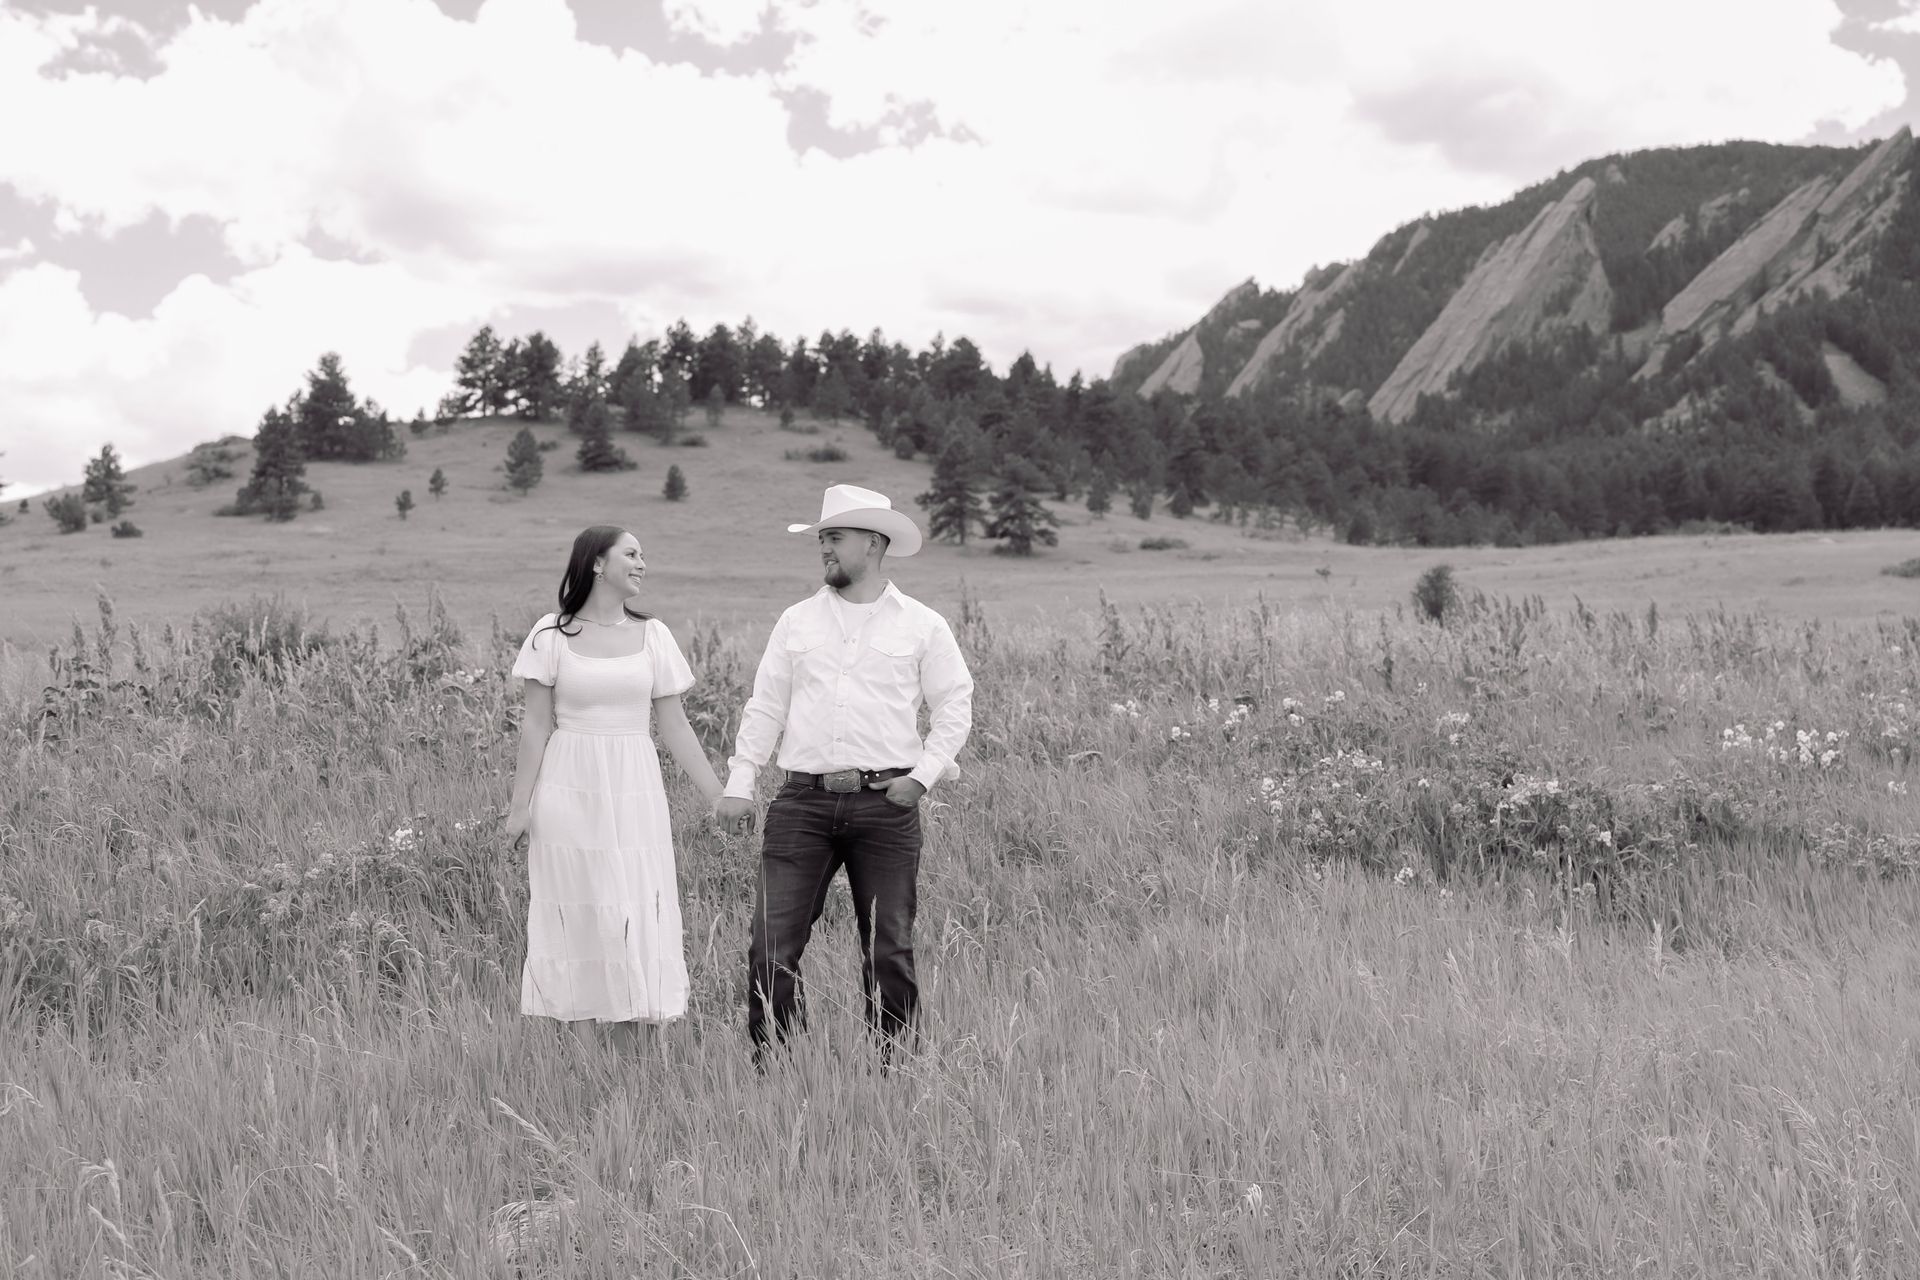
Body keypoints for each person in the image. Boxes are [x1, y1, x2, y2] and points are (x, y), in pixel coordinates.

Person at [715, 484, 974, 1066]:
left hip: (887, 804)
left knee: (889, 950)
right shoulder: (796, 621)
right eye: (822, 538)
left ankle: (894, 1072)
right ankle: (779, 1070)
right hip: (801, 804)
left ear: (874, 543)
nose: (824, 548)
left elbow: (955, 705)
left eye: (834, 537)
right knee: (770, 947)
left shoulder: (922, 625)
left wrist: (923, 777)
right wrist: (740, 781)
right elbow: (765, 706)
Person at [505, 525, 723, 1046]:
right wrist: (519, 808)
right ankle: (585, 1060)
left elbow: (675, 725)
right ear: (597, 564)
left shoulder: (655, 636)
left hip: (634, 787)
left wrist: (719, 794)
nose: (643, 562)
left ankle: (636, 1049)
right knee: (576, 908)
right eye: (631, 553)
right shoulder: (551, 635)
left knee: (633, 904)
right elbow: (536, 725)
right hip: (567, 786)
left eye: (643, 554)